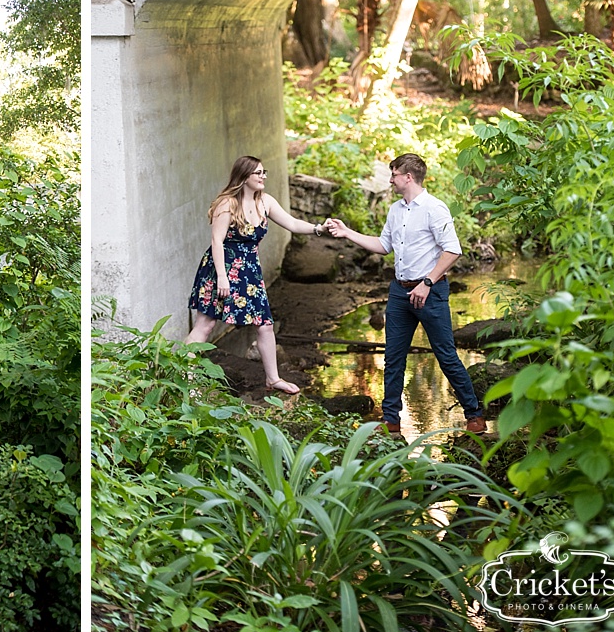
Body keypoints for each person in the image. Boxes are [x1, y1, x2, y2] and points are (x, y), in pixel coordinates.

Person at [324, 153, 487, 436]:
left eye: (394, 174)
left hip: (430, 292)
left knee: (446, 356)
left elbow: (453, 250)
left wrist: (427, 282)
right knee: (393, 357)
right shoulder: (396, 210)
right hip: (399, 293)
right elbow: (382, 245)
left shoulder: (435, 209)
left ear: (408, 177)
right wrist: (348, 232)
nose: (390, 180)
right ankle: (391, 421)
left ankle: (474, 415)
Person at [185, 155, 331, 396]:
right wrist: (222, 277)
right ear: (244, 177)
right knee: (206, 324)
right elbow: (217, 241)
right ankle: (185, 378)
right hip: (221, 268)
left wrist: (318, 229)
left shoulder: (266, 202)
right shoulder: (227, 204)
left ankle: (273, 379)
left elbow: (293, 224)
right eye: (258, 173)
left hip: (250, 272)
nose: (263, 177)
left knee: (264, 325)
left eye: (265, 172)